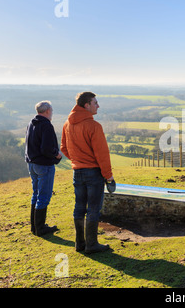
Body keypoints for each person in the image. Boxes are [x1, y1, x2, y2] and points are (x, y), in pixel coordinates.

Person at [61, 92, 114, 254]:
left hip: (77, 172)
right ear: (86, 105)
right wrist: (108, 175)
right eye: (95, 103)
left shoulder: (67, 124)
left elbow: (63, 148)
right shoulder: (94, 126)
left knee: (79, 207)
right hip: (93, 173)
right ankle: (92, 244)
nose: (98, 105)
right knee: (93, 208)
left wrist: (77, 160)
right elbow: (102, 154)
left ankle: (80, 243)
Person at [25, 101, 62, 236]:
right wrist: (57, 155)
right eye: (51, 111)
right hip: (44, 165)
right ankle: (41, 229)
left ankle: (35, 227)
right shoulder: (46, 125)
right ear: (47, 111)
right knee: (44, 196)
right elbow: (46, 148)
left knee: (36, 194)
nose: (52, 113)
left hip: (32, 163)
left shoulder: (31, 123)